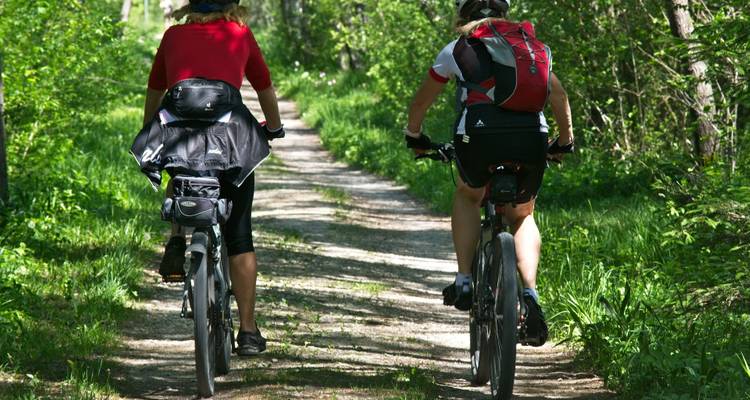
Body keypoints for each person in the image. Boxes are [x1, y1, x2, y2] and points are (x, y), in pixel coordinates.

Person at [404, 0, 574, 346]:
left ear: (464, 16)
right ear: (504, 15)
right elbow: (557, 93)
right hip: (531, 138)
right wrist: (564, 141)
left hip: (479, 135)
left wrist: (415, 136)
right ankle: (530, 294)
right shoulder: (530, 47)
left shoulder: (458, 48)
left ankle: (464, 279)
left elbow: (421, 102)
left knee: (468, 194)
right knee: (523, 214)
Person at [142, 0, 283, 355]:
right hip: (230, 141)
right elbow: (264, 86)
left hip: (180, 137)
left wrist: (149, 130)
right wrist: (275, 128)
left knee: (179, 164)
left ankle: (177, 235)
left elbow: (156, 91)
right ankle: (248, 332)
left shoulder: (173, 36)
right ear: (231, 5)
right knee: (240, 235)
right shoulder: (239, 34)